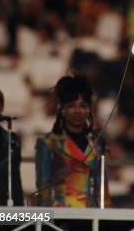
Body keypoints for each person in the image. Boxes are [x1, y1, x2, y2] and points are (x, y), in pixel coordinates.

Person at [35, 75, 109, 208]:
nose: (78, 111)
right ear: (62, 109)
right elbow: (43, 188)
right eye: (71, 106)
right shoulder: (47, 142)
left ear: (89, 110)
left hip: (90, 215)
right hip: (60, 214)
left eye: (83, 106)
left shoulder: (96, 143)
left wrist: (106, 218)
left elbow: (102, 188)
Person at [0, 84, 23, 206]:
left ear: (2, 105)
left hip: (6, 212)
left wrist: (18, 213)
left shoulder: (12, 141)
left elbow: (15, 181)